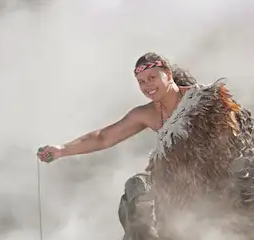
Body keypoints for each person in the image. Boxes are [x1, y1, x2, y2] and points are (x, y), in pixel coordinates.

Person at [37, 52, 198, 163]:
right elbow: (103, 137)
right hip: (185, 173)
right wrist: (61, 150)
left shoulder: (200, 97)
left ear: (168, 75)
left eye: (152, 77)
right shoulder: (146, 114)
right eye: (141, 81)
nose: (147, 85)